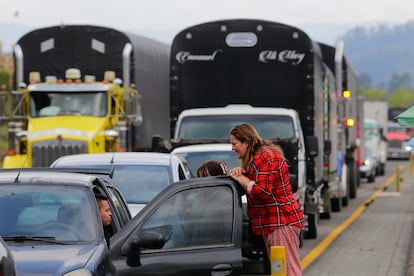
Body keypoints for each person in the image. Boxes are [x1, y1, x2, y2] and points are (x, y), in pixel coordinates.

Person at [228, 123, 304, 275]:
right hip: (275, 223)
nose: (232, 148)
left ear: (246, 142)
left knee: (288, 270)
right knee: (279, 270)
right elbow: (258, 181)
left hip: (281, 222)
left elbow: (263, 190)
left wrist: (241, 178)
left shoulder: (264, 157)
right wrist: (243, 173)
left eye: (234, 143)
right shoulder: (258, 158)